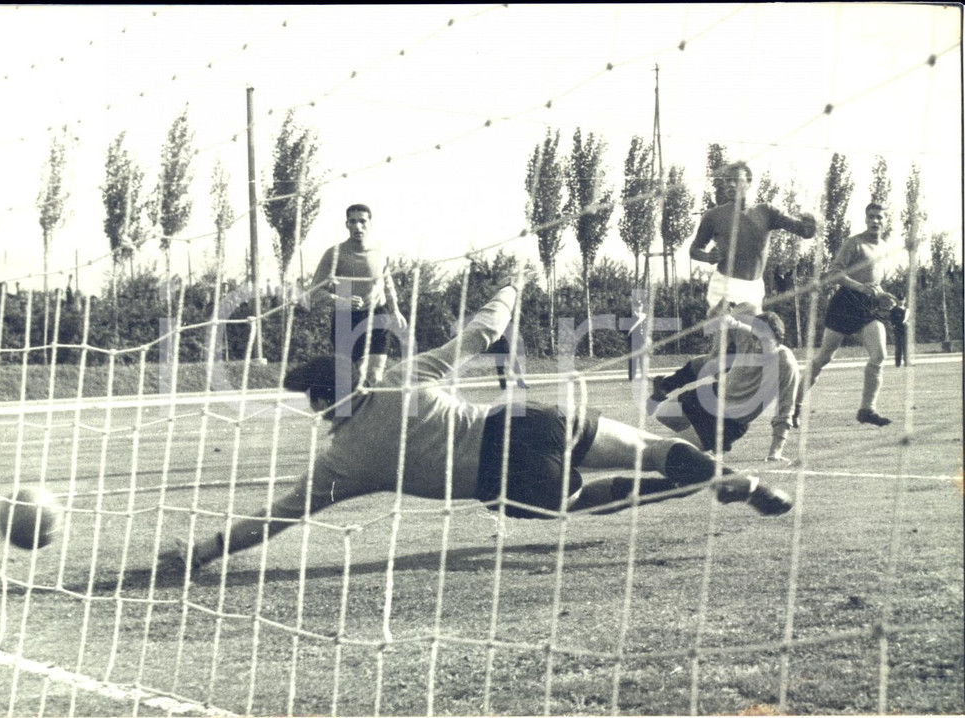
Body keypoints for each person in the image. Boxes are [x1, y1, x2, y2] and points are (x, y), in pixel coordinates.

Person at [160, 272, 793, 574]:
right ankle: (731, 480)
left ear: (321, 405)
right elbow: (482, 331)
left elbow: (277, 517)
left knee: (578, 501)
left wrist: (204, 552)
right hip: (526, 422)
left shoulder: (340, 462)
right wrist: (514, 285)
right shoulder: (404, 377)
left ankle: (687, 484)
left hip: (502, 484)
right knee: (655, 447)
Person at [650, 161, 816, 407]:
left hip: (753, 289)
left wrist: (809, 224)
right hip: (723, 287)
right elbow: (695, 249)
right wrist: (707, 257)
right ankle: (708, 406)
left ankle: (668, 385)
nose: (729, 184)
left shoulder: (766, 211)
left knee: (737, 353)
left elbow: (802, 230)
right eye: (726, 180)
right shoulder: (714, 216)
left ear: (748, 183)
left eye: (735, 180)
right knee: (725, 354)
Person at [795, 203, 898, 427]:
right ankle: (795, 406)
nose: (875, 221)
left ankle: (867, 409)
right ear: (865, 218)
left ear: (885, 221)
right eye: (871, 216)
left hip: (867, 308)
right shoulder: (854, 243)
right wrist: (860, 287)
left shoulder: (883, 247)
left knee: (879, 355)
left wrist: (883, 295)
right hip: (845, 304)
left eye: (879, 217)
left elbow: (875, 283)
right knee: (824, 358)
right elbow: (834, 273)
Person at [652, 309, 799, 462]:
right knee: (664, 413)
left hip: (730, 421)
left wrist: (775, 452)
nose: (757, 345)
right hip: (713, 396)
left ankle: (706, 445)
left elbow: (785, 409)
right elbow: (733, 322)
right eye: (754, 338)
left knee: (667, 448)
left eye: (765, 341)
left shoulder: (785, 363)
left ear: (779, 342)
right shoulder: (748, 335)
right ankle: (707, 448)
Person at [310, 204, 408, 385]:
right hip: (347, 320)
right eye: (353, 221)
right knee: (354, 379)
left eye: (362, 221)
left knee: (375, 376)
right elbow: (315, 292)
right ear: (346, 224)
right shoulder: (334, 254)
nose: (358, 226)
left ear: (370, 223)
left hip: (378, 314)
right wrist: (341, 301)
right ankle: (351, 410)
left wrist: (395, 310)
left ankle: (375, 412)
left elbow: (386, 282)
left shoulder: (380, 250)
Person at [626, 298, 648, 381]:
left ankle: (644, 376)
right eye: (637, 306)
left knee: (643, 359)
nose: (639, 308)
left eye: (640, 306)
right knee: (633, 360)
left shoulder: (644, 316)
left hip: (642, 341)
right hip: (633, 341)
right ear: (634, 307)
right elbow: (627, 330)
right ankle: (632, 377)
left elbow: (645, 329)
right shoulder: (630, 316)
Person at [890, 296, 909, 368]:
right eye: (900, 300)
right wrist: (895, 325)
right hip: (898, 329)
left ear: (905, 300)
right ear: (897, 300)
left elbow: (908, 320)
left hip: (905, 329)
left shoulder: (906, 310)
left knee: (906, 346)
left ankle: (906, 362)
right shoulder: (894, 310)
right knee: (898, 347)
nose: (901, 301)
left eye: (903, 300)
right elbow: (892, 320)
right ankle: (897, 363)